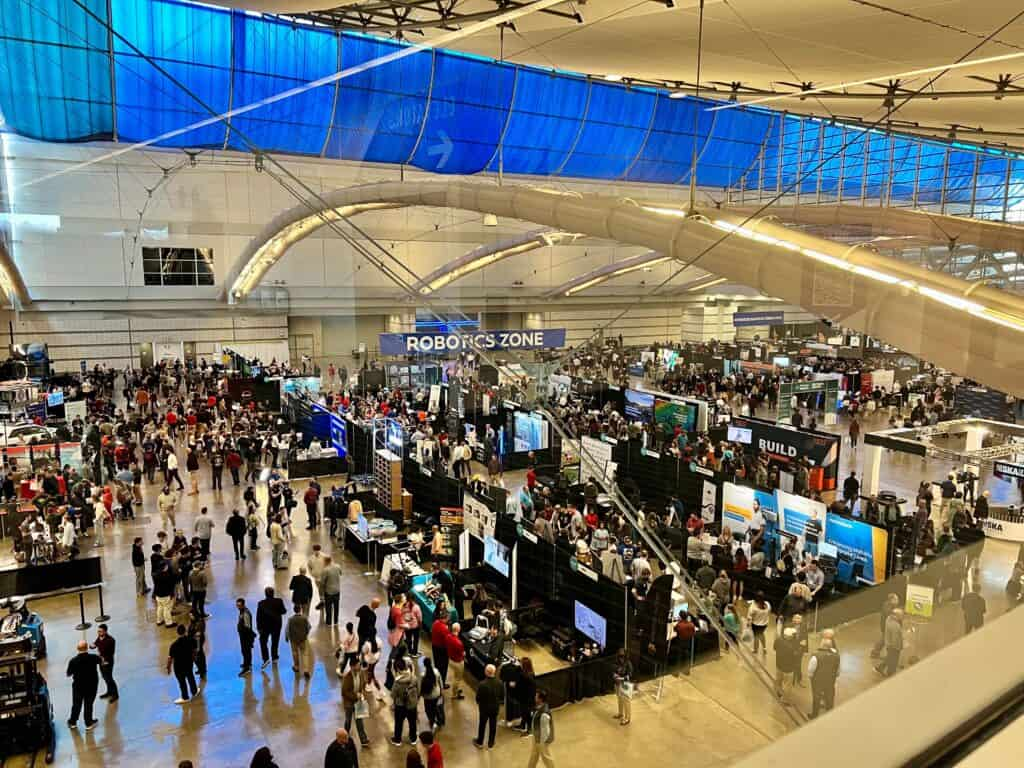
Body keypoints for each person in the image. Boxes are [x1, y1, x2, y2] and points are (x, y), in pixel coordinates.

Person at [66, 639, 101, 729]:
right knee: (88, 704)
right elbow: (102, 661)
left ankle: (73, 722)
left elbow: (68, 674)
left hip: (78, 686)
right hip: (91, 685)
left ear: (77, 648)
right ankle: (88, 723)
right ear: (86, 648)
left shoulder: (73, 661)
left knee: (76, 704)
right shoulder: (94, 657)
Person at [808, 635, 840, 718]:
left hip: (817, 681)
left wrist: (811, 676)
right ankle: (829, 712)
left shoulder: (816, 656)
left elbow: (811, 669)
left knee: (816, 696)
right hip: (830, 680)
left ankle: (814, 714)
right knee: (829, 696)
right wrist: (835, 676)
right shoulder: (836, 655)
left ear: (822, 645)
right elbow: (837, 669)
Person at [390, 657, 420, 747]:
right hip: (412, 705)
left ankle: (397, 740)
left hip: (400, 705)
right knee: (412, 722)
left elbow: (393, 695)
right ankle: (413, 739)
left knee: (399, 723)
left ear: (398, 669)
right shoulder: (413, 678)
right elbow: (418, 691)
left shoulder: (397, 682)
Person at [167, 624, 200, 704]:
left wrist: (168, 668)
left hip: (178, 667)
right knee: (190, 677)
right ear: (185, 631)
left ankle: (185, 697)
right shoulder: (192, 640)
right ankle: (194, 691)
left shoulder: (174, 645)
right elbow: (195, 652)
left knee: (182, 682)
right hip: (188, 664)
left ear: (177, 633)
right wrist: (194, 659)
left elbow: (170, 658)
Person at [341, 662, 371, 747]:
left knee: (359, 722)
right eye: (357, 665)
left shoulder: (360, 673)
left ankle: (363, 740)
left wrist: (361, 693)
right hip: (349, 703)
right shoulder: (347, 677)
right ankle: (344, 738)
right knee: (348, 721)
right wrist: (355, 696)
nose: (359, 666)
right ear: (352, 666)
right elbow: (344, 692)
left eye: (359, 665)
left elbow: (363, 683)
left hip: (358, 702)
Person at [473, 663, 502, 750]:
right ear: (494, 672)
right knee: (493, 725)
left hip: (484, 709)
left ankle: (480, 742)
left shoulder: (482, 684)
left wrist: (479, 703)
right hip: (495, 708)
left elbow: (478, 698)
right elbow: (502, 696)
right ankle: (491, 744)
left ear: (486, 672)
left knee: (482, 725)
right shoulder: (499, 683)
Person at [257, 586, 287, 668]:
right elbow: (284, 611)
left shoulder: (261, 603)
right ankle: (274, 657)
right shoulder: (279, 601)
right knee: (275, 641)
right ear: (273, 593)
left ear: (265, 594)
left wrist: (259, 627)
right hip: (276, 625)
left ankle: (266, 658)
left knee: (263, 642)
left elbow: (258, 616)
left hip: (264, 626)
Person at [526, 689, 555, 768]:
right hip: (537, 737)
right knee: (534, 754)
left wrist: (541, 742)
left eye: (536, 696)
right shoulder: (539, 707)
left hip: (542, 740)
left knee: (546, 757)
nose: (534, 697)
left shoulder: (544, 714)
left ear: (540, 699)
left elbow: (545, 730)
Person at [92, 623, 118, 702]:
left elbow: (111, 653)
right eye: (98, 631)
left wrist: (105, 660)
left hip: (108, 662)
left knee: (109, 678)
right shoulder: (99, 638)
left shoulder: (111, 640)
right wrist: (92, 646)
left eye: (100, 631)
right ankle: (109, 692)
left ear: (105, 632)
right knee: (105, 678)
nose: (99, 633)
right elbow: (95, 644)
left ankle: (115, 694)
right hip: (101, 662)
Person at [286, 605, 314, 679]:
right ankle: (306, 670)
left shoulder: (290, 619)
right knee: (305, 654)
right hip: (303, 639)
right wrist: (305, 634)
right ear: (300, 609)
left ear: (294, 610)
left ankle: (296, 667)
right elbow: (309, 627)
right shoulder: (304, 618)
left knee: (295, 653)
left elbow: (287, 630)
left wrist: (287, 637)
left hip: (293, 639)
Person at [875, 608, 904, 677]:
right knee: (893, 660)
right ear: (896, 616)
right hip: (894, 646)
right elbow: (895, 639)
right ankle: (891, 674)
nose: (902, 616)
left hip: (888, 643)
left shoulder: (888, 619)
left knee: (889, 657)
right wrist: (899, 647)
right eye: (901, 615)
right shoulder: (896, 626)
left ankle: (880, 668)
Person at [612, 649, 633, 725]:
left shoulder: (628, 663)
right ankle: (620, 713)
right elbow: (613, 670)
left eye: (622, 655)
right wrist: (614, 674)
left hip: (625, 684)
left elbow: (630, 674)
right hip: (617, 683)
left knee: (626, 702)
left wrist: (623, 678)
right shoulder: (616, 661)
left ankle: (627, 718)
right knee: (619, 699)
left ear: (625, 655)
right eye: (620, 655)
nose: (621, 657)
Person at [445, 623, 465, 699]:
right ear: (458, 630)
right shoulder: (459, 643)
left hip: (450, 659)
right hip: (458, 662)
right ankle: (454, 694)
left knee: (455, 676)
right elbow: (462, 654)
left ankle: (456, 690)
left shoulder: (448, 637)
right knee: (457, 678)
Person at [237, 597, 256, 676]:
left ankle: (247, 668)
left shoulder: (245, 613)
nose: (238, 607)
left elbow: (247, 627)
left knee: (246, 651)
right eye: (237, 605)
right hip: (243, 635)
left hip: (246, 636)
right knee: (244, 651)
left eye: (239, 605)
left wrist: (248, 636)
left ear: (243, 605)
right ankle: (247, 663)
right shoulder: (242, 611)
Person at [321, 556, 343, 626]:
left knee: (328, 607)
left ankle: (329, 622)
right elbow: (341, 573)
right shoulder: (338, 566)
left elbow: (322, 582)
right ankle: (336, 621)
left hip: (329, 591)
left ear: (326, 561)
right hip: (337, 590)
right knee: (336, 607)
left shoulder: (325, 570)